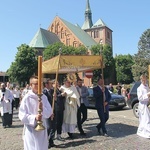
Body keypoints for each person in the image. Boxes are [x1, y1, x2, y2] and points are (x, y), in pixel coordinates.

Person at [19, 76, 52, 150]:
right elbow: (22, 115)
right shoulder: (27, 98)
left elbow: (49, 112)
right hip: (31, 128)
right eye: (36, 84)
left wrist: (43, 109)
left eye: (40, 83)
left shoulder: (44, 97)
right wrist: (34, 118)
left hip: (42, 128)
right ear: (31, 85)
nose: (39, 86)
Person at [43, 79, 56, 148]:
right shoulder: (43, 92)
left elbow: (55, 100)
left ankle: (51, 140)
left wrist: (55, 97)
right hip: (47, 112)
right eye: (50, 84)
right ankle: (45, 141)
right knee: (48, 127)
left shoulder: (52, 91)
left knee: (54, 127)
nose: (52, 85)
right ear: (46, 85)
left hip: (53, 111)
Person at [137, 74, 150, 138]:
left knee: (147, 119)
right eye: (143, 80)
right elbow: (140, 98)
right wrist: (147, 94)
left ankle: (144, 131)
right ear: (141, 80)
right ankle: (147, 133)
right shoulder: (139, 88)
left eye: (145, 80)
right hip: (143, 105)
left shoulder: (147, 86)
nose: (144, 81)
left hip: (147, 104)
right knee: (145, 119)